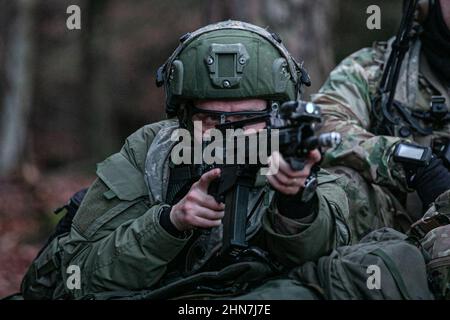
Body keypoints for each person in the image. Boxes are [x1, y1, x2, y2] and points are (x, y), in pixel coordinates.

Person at [20, 20, 352, 300]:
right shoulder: (151, 153)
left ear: (277, 116)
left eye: (247, 120)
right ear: (182, 116)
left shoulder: (303, 154)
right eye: (211, 121)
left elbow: (331, 265)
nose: (229, 136)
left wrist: (296, 204)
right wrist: (168, 224)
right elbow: (72, 279)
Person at [313, 0, 450, 240]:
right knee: (345, 184)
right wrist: (414, 163)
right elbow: (321, 126)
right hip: (398, 243)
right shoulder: (373, 71)